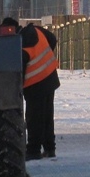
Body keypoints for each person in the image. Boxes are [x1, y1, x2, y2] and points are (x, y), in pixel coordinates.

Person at [20, 20, 60, 160]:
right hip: (50, 76)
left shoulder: (19, 44)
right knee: (47, 116)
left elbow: (19, 72)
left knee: (34, 118)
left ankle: (33, 150)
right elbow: (53, 39)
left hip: (34, 84)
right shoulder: (37, 30)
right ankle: (50, 148)